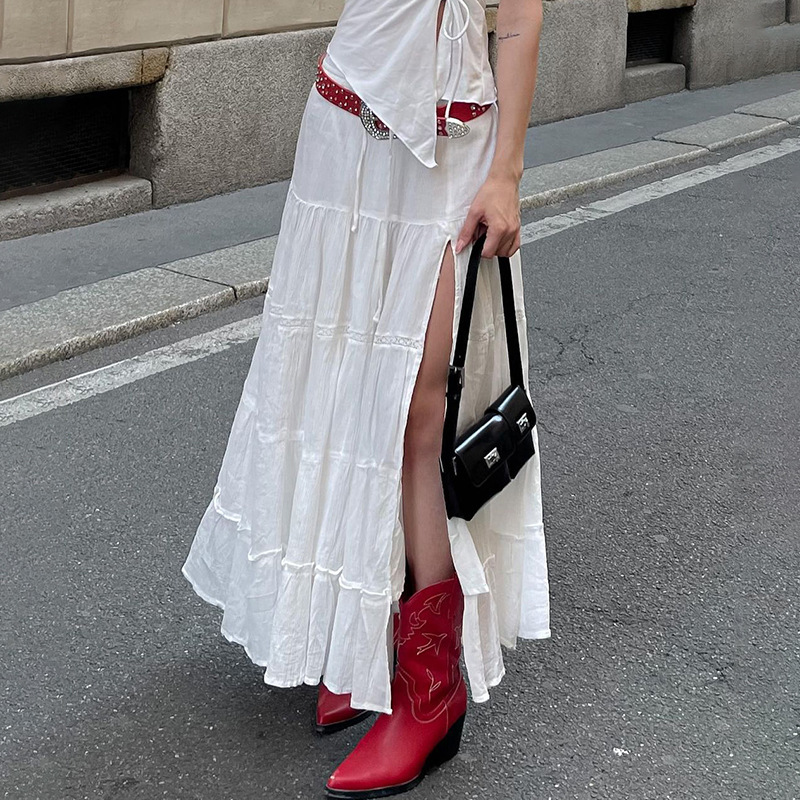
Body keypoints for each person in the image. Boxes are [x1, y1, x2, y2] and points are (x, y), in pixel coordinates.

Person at [181, 0, 550, 796]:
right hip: (346, 133)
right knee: (341, 391)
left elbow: (521, 10)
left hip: (457, 149)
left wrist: (507, 174)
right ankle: (360, 638)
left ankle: (430, 690)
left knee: (421, 410)